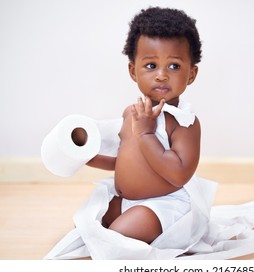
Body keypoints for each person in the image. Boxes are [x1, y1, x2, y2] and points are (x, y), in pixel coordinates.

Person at [76, 7, 203, 244]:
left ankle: (154, 229)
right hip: (126, 200)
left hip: (162, 204)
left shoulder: (184, 122)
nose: (162, 75)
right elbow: (128, 160)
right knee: (86, 222)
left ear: (191, 74)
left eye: (174, 66)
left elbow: (179, 174)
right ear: (133, 71)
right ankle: (119, 222)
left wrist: (146, 133)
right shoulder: (131, 113)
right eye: (151, 66)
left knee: (116, 237)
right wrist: (91, 158)